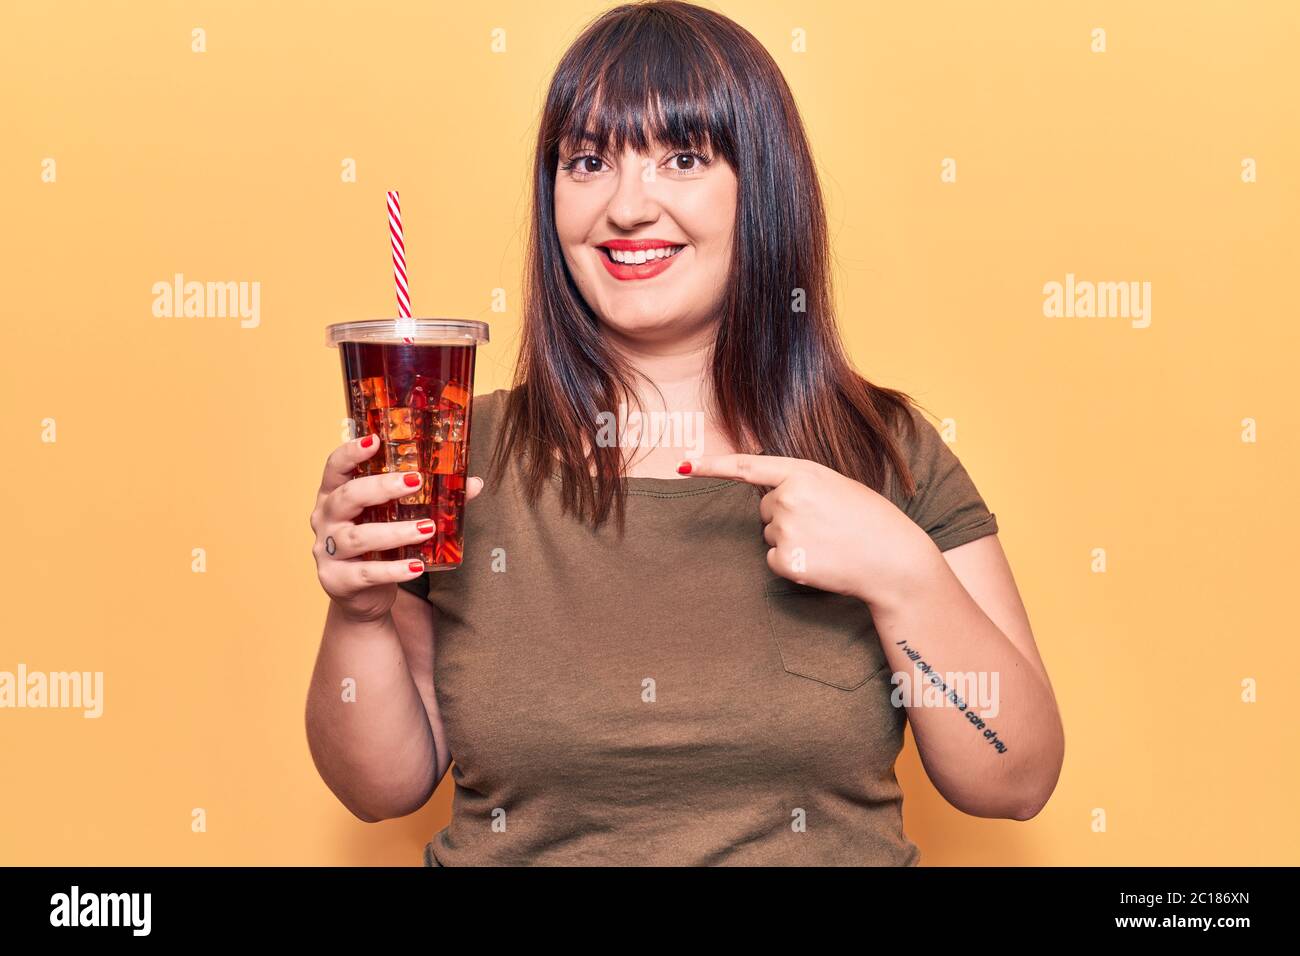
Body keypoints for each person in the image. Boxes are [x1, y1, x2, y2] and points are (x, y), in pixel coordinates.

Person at [306, 0, 1064, 866]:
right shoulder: (449, 455)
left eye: (684, 157)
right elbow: (380, 792)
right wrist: (359, 614)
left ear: (763, 189)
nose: (629, 205)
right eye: (588, 161)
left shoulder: (883, 447)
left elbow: (1015, 783)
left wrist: (905, 577)